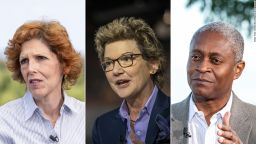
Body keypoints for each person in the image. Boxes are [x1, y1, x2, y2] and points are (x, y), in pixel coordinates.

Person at [0, 20, 85, 143]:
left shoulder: (83, 116)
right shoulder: (4, 120)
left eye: (41, 58)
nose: (30, 69)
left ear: (65, 65)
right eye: (24, 61)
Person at [172, 22, 256, 144]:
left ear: (237, 69)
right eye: (195, 57)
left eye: (215, 60)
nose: (202, 67)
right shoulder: (164, 118)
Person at [92, 17, 170, 144]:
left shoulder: (178, 116)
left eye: (127, 59)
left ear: (153, 65)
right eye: (108, 63)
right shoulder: (102, 126)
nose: (116, 70)